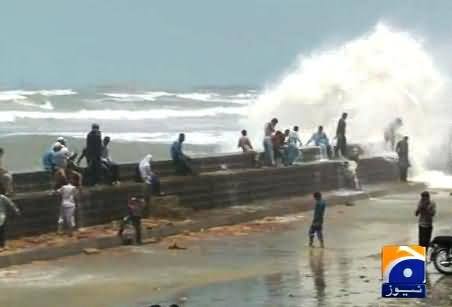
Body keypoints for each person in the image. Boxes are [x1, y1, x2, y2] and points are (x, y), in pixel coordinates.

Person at [0, 184, 20, 250]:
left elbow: (10, 203)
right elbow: (11, 203)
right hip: (2, 217)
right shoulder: (2, 197)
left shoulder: (2, 197)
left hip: (1, 216)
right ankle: (3, 245)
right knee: (2, 231)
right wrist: (16, 210)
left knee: (2, 231)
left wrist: (16, 210)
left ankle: (2, 245)